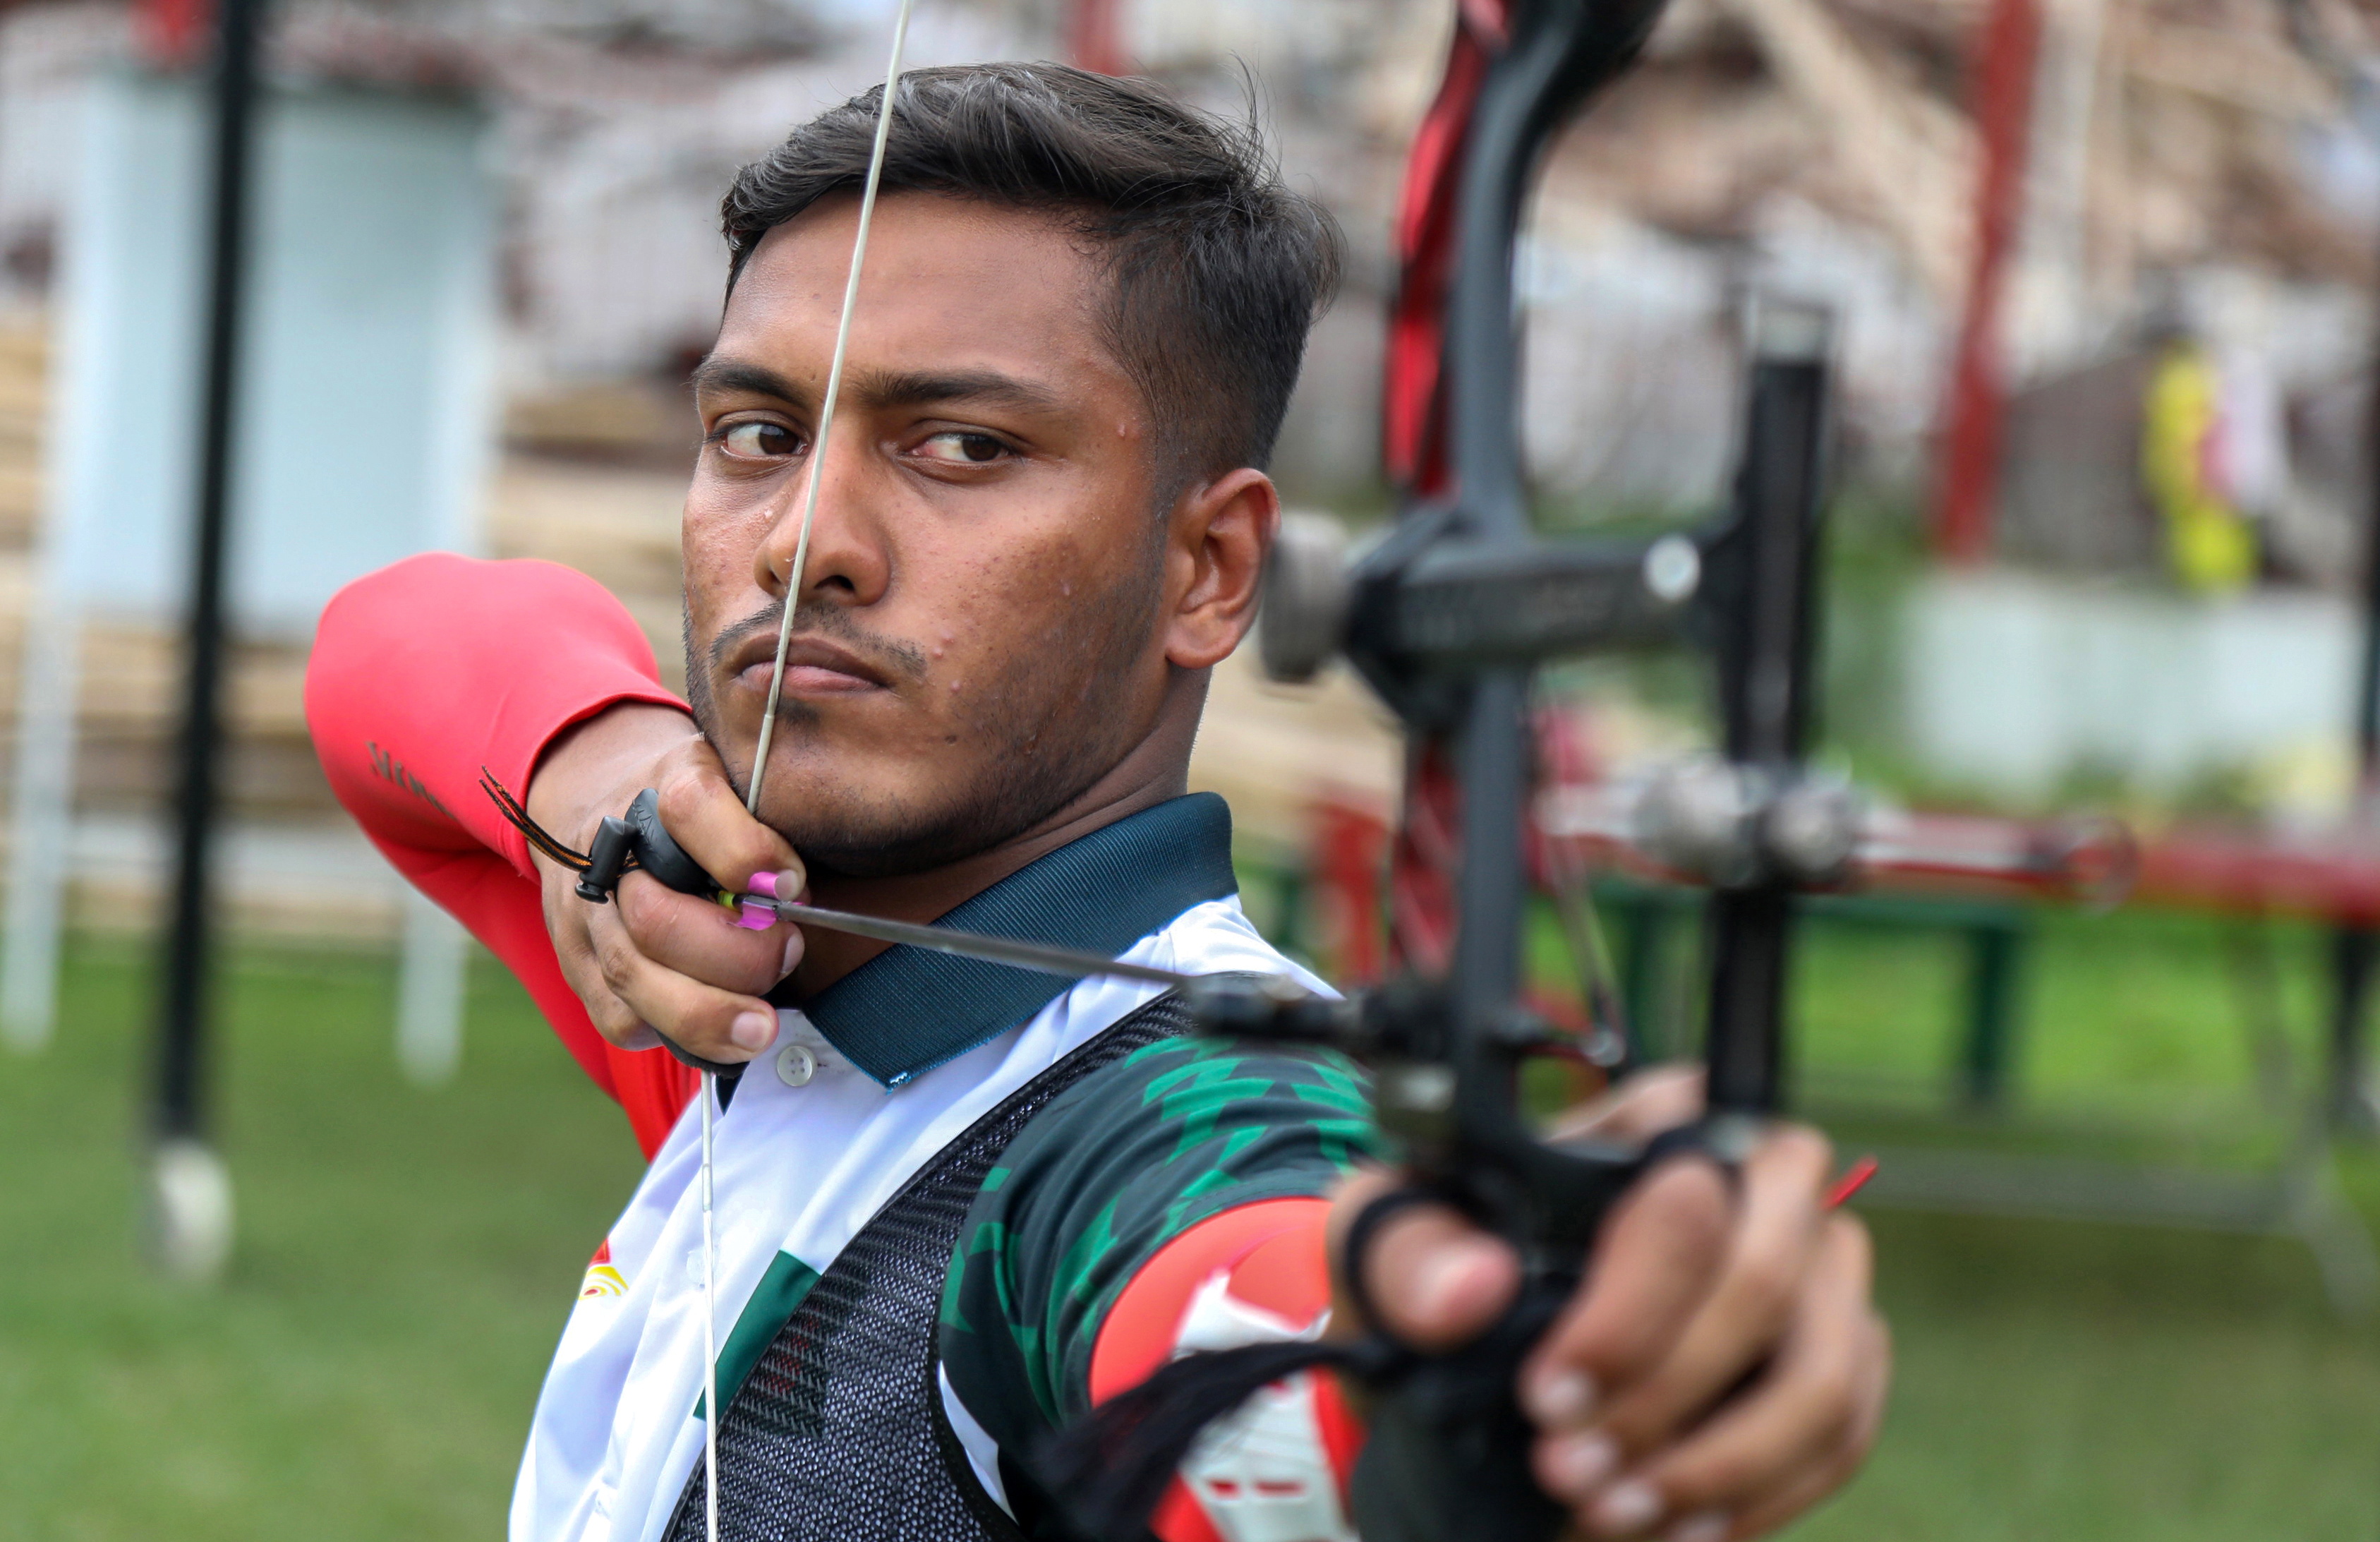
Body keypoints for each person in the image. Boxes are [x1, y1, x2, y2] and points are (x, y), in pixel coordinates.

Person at [306, 61, 1886, 1542]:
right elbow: (383, 651)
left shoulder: (1140, 1118)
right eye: (757, 434)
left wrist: (1492, 1363)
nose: (805, 541)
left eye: (962, 447)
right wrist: (609, 779)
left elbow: (1243, 1292)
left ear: (1208, 571)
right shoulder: (742, 1003)